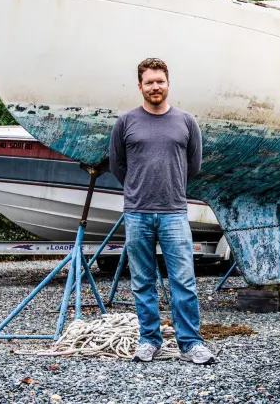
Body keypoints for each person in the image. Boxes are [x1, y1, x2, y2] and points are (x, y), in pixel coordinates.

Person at [109, 58, 216, 365]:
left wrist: (169, 186)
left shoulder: (186, 122)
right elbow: (118, 164)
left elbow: (193, 166)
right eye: (149, 82)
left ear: (168, 84)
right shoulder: (126, 122)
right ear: (140, 86)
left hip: (173, 211)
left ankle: (191, 343)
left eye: (160, 81)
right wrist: (137, 187)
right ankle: (149, 340)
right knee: (142, 280)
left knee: (183, 280)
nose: (155, 87)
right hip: (137, 211)